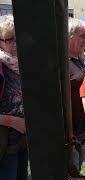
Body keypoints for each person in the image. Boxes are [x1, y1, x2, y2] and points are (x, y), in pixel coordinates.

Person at [0, 15, 28, 180]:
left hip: (21, 141)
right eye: (10, 39)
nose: (15, 44)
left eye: (18, 38)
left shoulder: (21, 65)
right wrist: (13, 121)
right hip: (3, 143)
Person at [68, 17, 85, 177]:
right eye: (81, 36)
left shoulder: (79, 61)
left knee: (77, 167)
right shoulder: (61, 62)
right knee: (71, 170)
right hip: (71, 130)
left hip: (84, 126)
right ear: (67, 37)